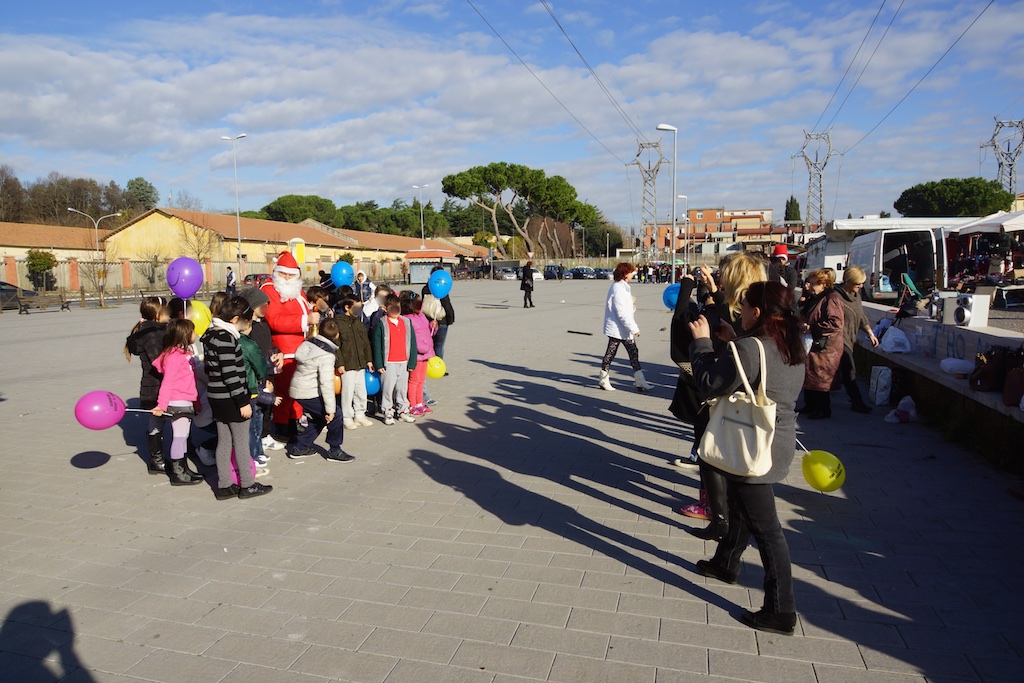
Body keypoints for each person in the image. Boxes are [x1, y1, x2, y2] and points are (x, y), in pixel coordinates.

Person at [689, 281, 806, 636]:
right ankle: (726, 563)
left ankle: (781, 610)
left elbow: (708, 382)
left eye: (745, 308)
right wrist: (733, 340)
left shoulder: (751, 348)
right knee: (741, 505)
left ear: (758, 312)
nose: (741, 312)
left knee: (768, 530)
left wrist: (703, 343)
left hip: (753, 445)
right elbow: (756, 371)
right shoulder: (789, 341)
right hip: (778, 439)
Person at [676, 254, 767, 539]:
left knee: (712, 453)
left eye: (724, 274)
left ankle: (719, 516)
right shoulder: (752, 307)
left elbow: (683, 326)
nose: (721, 278)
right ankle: (726, 523)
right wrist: (713, 290)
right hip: (740, 394)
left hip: (724, 392)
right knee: (720, 455)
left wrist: (688, 288)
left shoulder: (740, 312)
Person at [202, 295, 273, 500]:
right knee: (241, 442)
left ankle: (224, 484)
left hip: (216, 395)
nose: (246, 325)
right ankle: (247, 484)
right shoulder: (225, 338)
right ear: (234, 319)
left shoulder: (211, 334)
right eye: (245, 321)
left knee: (224, 441)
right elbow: (230, 373)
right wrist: (242, 402)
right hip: (231, 398)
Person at [261, 252, 319, 444]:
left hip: (300, 349)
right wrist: (305, 320)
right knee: (284, 391)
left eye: (290, 275)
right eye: (283, 273)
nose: (286, 278)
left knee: (297, 390)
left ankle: (294, 421)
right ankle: (281, 425)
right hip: (283, 351)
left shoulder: (297, 291)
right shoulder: (270, 290)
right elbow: (275, 320)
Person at [287, 318, 355, 463]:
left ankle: (300, 447)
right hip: (308, 391)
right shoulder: (327, 355)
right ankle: (334, 450)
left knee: (320, 418)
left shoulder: (309, 343)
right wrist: (330, 409)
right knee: (335, 415)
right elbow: (326, 383)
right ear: (337, 335)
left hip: (298, 388)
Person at [151, 319, 204, 486]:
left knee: (184, 436)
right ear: (185, 335)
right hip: (178, 401)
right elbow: (168, 382)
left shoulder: (184, 354)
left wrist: (196, 402)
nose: (195, 335)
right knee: (180, 437)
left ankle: (183, 468)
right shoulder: (175, 357)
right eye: (193, 332)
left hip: (186, 399)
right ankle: (178, 472)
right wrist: (161, 405)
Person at [125, 297, 170, 475]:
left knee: (160, 420)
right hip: (155, 385)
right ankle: (156, 460)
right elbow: (158, 361)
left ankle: (163, 456)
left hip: (156, 384)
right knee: (157, 421)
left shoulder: (156, 330)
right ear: (157, 314)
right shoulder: (152, 335)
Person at [598, 262, 653, 392]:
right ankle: (604, 379)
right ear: (624, 274)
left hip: (622, 329)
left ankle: (639, 381)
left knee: (631, 353)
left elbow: (624, 310)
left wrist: (632, 306)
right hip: (618, 329)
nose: (633, 274)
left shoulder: (622, 287)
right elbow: (621, 313)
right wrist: (634, 328)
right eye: (630, 272)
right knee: (612, 354)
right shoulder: (618, 289)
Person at [241, 287, 284, 451]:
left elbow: (270, 345)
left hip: (269, 368)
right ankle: (259, 439)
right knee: (259, 407)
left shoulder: (264, 324)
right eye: (262, 306)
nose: (266, 309)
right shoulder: (248, 328)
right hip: (257, 373)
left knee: (267, 407)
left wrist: (278, 353)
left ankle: (265, 435)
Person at [800, 268, 845, 420]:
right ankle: (810, 405)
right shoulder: (815, 298)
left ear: (823, 285)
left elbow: (836, 322)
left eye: (813, 283)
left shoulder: (831, 299)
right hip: (815, 344)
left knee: (821, 378)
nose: (809, 286)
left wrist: (813, 327)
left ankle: (823, 409)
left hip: (826, 347)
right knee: (811, 374)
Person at [835, 266, 879, 414]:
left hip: (850, 337)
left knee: (844, 372)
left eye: (861, 284)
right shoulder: (836, 296)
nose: (860, 287)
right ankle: (857, 401)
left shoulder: (856, 296)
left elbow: (860, 316)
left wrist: (870, 333)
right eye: (857, 284)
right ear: (848, 281)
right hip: (838, 340)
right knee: (849, 371)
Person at [372, 294, 418, 425]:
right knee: (388, 388)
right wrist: (379, 363)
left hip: (404, 361)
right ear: (386, 308)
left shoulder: (407, 322)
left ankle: (403, 411)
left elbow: (412, 342)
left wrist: (412, 361)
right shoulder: (382, 323)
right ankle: (387, 412)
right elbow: (376, 344)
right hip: (389, 363)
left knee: (402, 388)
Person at [335, 297, 375, 430]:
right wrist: (339, 363)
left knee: (361, 391)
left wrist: (369, 360)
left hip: (360, 363)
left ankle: (360, 414)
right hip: (347, 365)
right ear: (347, 307)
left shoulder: (358, 323)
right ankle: (347, 417)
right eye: (356, 307)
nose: (359, 310)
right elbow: (336, 346)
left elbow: (365, 344)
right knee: (347, 392)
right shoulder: (338, 323)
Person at [238, 316, 271, 471]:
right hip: (251, 390)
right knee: (252, 429)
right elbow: (260, 366)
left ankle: (258, 452)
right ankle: (253, 455)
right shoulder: (248, 345)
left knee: (256, 426)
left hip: (252, 389)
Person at [404, 296, 436, 416]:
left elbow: (427, 332)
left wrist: (433, 326)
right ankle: (413, 404)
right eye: (417, 303)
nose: (420, 305)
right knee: (414, 380)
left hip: (426, 353)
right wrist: (421, 347)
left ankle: (420, 402)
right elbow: (412, 338)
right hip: (417, 354)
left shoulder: (422, 316)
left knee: (421, 380)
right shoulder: (408, 319)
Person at [421, 266, 455, 365]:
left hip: (428, 320)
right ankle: (438, 366)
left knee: (430, 344)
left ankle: (428, 364)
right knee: (439, 345)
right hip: (442, 321)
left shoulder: (425, 288)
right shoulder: (442, 287)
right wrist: (450, 319)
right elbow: (446, 305)